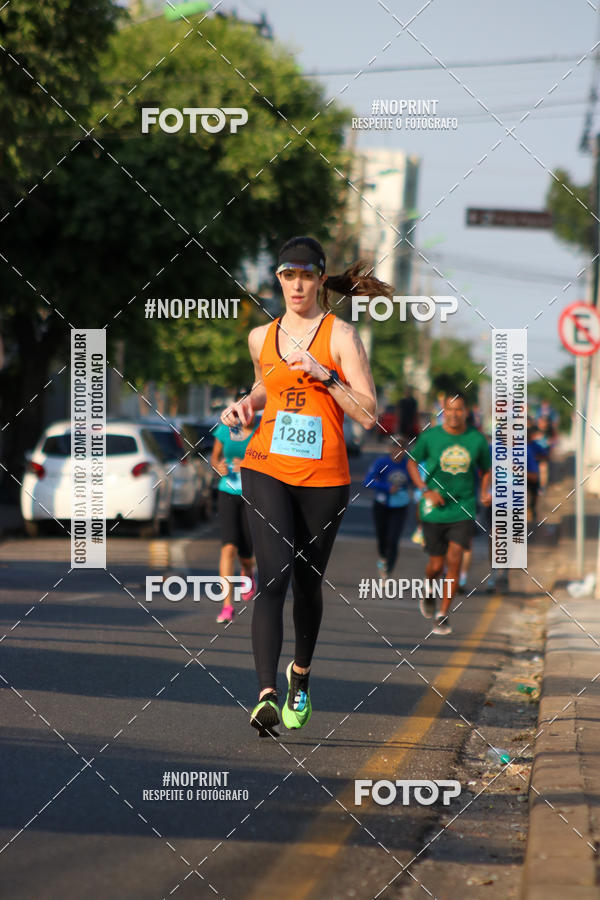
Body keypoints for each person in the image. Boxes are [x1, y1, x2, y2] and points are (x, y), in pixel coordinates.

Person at [221, 235, 393, 736]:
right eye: (288, 276)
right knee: (273, 577)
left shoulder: (341, 336)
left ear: (320, 280)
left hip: (324, 477)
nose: (297, 286)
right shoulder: (261, 337)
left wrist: (326, 376)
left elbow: (368, 415)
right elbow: (264, 388)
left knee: (307, 583)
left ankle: (300, 675)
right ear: (278, 279)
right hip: (266, 465)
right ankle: (266, 696)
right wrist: (243, 406)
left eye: (306, 276)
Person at [407, 392, 491, 635]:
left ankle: (443, 615)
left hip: (463, 506)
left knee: (455, 558)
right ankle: (428, 589)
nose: (454, 414)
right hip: (434, 508)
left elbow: (487, 468)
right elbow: (412, 462)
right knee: (436, 564)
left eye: (459, 409)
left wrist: (484, 491)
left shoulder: (476, 440)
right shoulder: (430, 437)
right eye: (450, 410)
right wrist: (425, 490)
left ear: (466, 411)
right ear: (443, 411)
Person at [210, 391, 258, 623]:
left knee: (246, 553)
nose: (244, 413)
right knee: (228, 547)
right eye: (240, 408)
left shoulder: (263, 431)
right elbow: (214, 458)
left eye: (249, 409)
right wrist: (218, 466)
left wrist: (249, 464)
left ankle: (248, 571)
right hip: (227, 491)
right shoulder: (228, 429)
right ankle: (227, 606)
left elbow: (272, 461)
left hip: (253, 494)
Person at [363, 435, 412, 576]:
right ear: (390, 448)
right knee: (382, 536)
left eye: (402, 448)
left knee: (393, 538)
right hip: (382, 505)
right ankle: (383, 557)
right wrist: (386, 487)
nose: (398, 450)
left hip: (400, 506)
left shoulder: (408, 465)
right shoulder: (382, 463)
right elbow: (368, 481)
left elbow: (417, 481)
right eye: (396, 446)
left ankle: (388, 568)